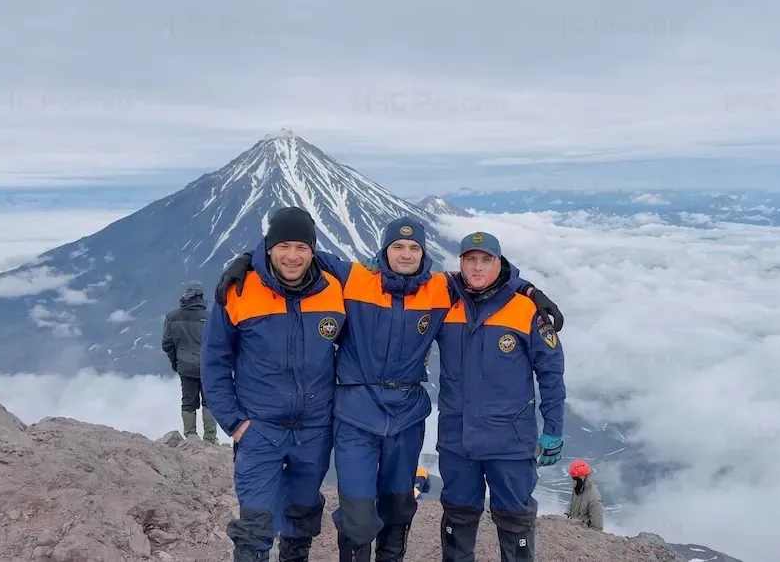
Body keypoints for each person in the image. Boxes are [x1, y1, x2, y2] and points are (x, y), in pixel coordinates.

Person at [214, 217, 564, 562]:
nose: (406, 254)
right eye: (398, 246)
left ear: (424, 253)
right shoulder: (355, 279)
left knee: (399, 505)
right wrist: (245, 261)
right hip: (356, 412)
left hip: (406, 414)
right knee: (359, 512)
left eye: (414, 247)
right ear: (384, 250)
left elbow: (487, 281)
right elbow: (300, 252)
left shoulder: (440, 289)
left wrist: (531, 291)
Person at [200, 207, 346, 562]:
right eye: (283, 246)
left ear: (313, 250)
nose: (292, 256)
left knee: (301, 518)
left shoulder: (337, 287)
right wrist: (235, 423)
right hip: (259, 429)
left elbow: (386, 289)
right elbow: (213, 361)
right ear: (268, 248)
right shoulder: (238, 291)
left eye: (301, 246)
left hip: (314, 429)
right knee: (255, 525)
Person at [436, 231, 566, 562]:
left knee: (514, 518)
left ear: (499, 263)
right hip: (457, 438)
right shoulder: (444, 302)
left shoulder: (526, 310)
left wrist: (553, 428)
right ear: (461, 264)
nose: (477, 268)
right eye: (470, 260)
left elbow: (550, 373)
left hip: (509, 440)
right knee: (458, 514)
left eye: (486, 260)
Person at [161, 282, 218, 444]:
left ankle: (191, 437)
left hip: (184, 366)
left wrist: (176, 362)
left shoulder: (172, 317)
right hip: (207, 367)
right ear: (200, 297)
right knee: (209, 401)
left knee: (188, 401)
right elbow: (219, 344)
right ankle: (210, 438)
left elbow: (167, 344)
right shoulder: (210, 317)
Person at [565, 459, 604, 531]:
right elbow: (572, 502)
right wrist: (566, 514)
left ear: (582, 478)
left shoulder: (594, 498)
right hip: (572, 530)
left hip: (583, 535)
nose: (572, 481)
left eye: (575, 479)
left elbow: (597, 528)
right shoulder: (577, 488)